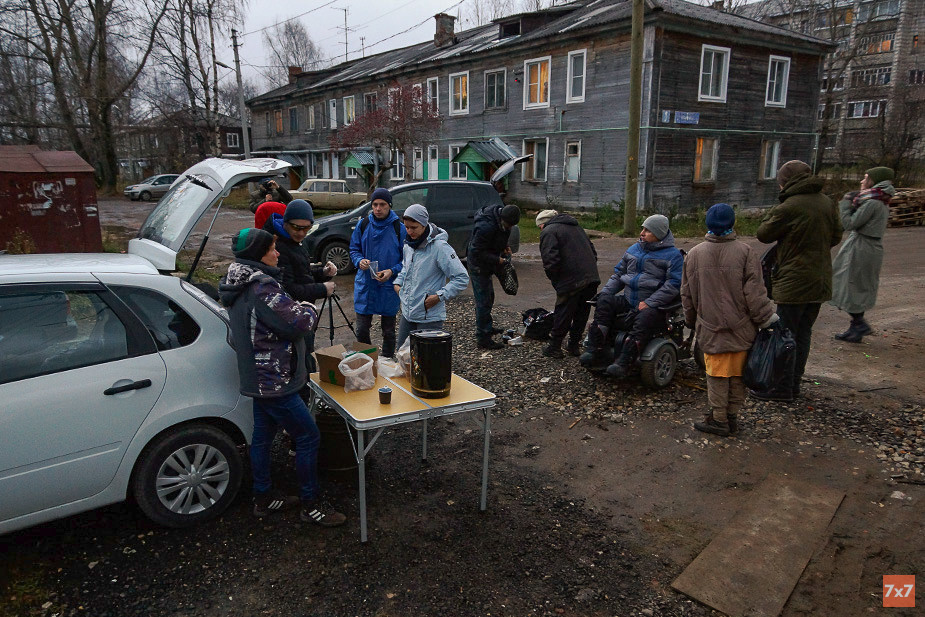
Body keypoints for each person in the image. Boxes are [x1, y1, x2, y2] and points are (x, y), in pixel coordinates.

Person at [219, 228, 345, 527]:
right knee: (308, 436)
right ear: (258, 254)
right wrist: (309, 305)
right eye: (272, 249)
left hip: (258, 378)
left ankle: (263, 498)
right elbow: (299, 323)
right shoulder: (261, 288)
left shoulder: (237, 282)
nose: (277, 254)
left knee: (262, 438)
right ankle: (310, 505)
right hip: (275, 380)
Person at [681, 204, 778, 436]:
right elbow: (755, 293)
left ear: (707, 224)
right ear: (733, 223)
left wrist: (690, 320)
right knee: (737, 374)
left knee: (716, 375)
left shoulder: (694, 254)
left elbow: (687, 295)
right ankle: (732, 416)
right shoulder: (745, 252)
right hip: (742, 327)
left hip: (710, 327)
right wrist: (766, 319)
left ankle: (719, 419)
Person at [757, 160, 842, 400]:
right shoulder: (827, 202)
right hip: (819, 280)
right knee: (804, 333)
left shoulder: (790, 206)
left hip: (794, 281)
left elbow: (763, 234)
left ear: (786, 181)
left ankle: (781, 388)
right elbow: (836, 235)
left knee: (785, 334)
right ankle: (794, 383)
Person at [579, 214, 683, 378]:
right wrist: (606, 293)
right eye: (643, 229)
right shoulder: (634, 249)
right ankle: (595, 350)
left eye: (647, 230)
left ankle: (624, 362)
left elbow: (674, 285)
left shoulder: (673, 256)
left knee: (644, 318)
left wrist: (649, 302)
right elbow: (619, 274)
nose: (642, 233)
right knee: (604, 301)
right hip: (629, 299)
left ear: (659, 233)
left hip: (654, 304)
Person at [262, 199, 336, 371]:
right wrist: (322, 289)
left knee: (306, 356)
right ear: (286, 223)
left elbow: (301, 274)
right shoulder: (278, 247)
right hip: (291, 317)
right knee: (300, 363)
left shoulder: (293, 241)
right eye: (297, 228)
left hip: (303, 313)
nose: (301, 233)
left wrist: (322, 272)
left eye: (306, 228)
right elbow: (288, 288)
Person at [830, 166, 895, 343]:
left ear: (874, 180)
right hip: (865, 246)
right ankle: (856, 326)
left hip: (862, 247)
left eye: (866, 178)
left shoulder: (873, 202)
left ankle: (859, 324)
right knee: (855, 285)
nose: (862, 181)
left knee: (852, 285)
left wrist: (845, 204)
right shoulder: (879, 199)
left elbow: (849, 224)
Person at [393, 204, 469, 347]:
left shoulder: (439, 247)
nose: (409, 231)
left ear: (424, 224)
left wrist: (439, 296)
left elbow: (461, 278)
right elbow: (406, 268)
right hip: (408, 313)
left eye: (414, 227)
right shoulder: (408, 245)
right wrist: (398, 283)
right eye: (406, 227)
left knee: (427, 357)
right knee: (402, 355)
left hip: (429, 317)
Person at [536, 209, 600, 358]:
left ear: (543, 224)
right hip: (591, 276)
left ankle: (555, 346)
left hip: (571, 279)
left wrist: (557, 281)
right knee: (582, 312)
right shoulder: (577, 227)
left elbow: (550, 261)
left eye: (539, 226)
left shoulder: (549, 231)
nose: (540, 229)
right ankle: (573, 345)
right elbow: (593, 251)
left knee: (563, 312)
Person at [349, 187, 404, 357]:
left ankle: (387, 361)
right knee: (361, 329)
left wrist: (392, 271)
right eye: (375, 205)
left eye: (382, 205)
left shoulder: (398, 228)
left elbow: (407, 260)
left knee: (388, 331)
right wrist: (359, 261)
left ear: (389, 205)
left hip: (388, 286)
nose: (378, 208)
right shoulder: (363, 224)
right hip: (366, 284)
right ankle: (367, 362)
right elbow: (354, 249)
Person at [466, 203, 521, 349]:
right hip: (478, 265)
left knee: (489, 297)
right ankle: (483, 338)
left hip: (487, 263)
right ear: (502, 219)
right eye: (508, 225)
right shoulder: (485, 227)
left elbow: (500, 235)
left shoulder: (502, 222)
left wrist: (504, 246)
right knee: (483, 300)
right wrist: (498, 260)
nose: (509, 228)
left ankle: (487, 327)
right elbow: (476, 251)